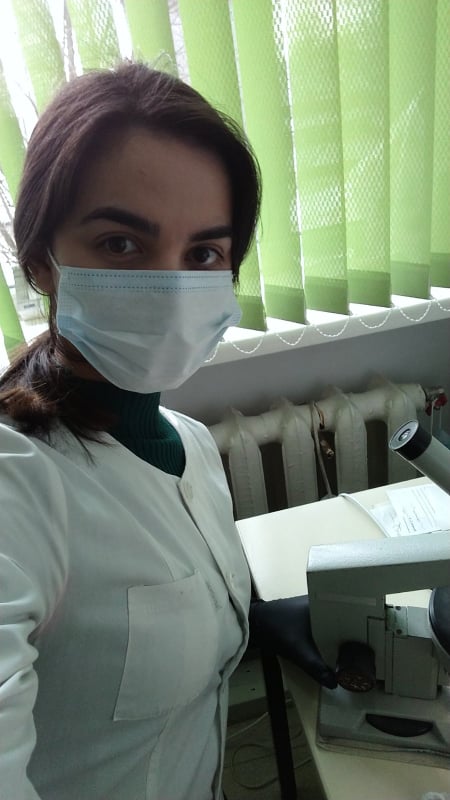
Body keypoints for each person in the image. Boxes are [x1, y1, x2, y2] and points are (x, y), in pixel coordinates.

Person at [0, 61, 335, 800]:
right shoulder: (15, 479)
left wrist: (252, 621)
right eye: (121, 243)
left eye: (204, 254)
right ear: (41, 261)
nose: (171, 286)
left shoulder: (189, 442)